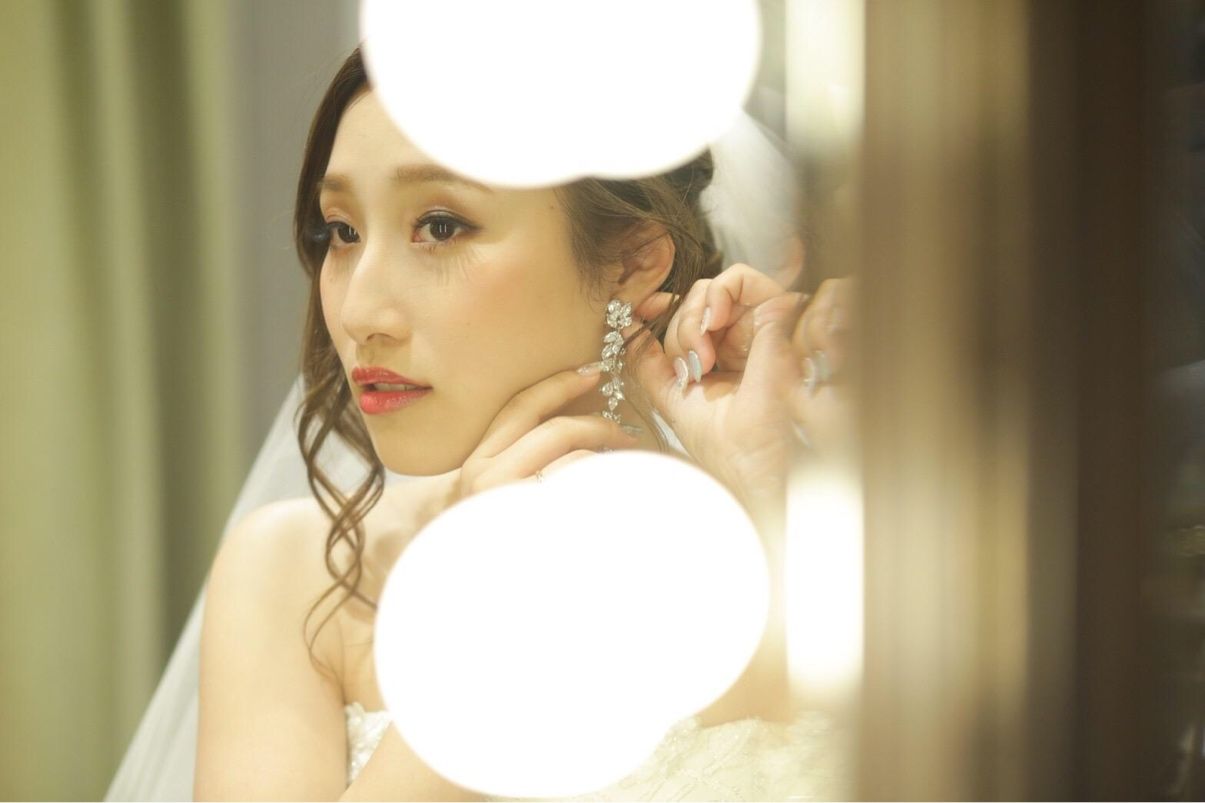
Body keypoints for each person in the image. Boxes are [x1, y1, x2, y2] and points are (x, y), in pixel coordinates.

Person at [111, 45, 855, 801]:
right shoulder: (298, 572)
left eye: (439, 226)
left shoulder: (829, 565)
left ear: (633, 261)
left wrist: (769, 498)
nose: (359, 312)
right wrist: (477, 612)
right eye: (340, 231)